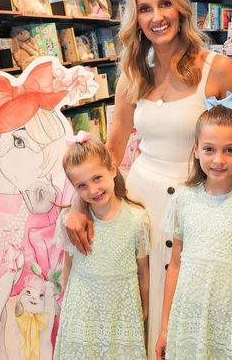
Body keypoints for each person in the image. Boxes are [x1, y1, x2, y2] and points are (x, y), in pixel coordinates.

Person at [65, 0, 232, 358]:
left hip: (197, 209)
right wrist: (79, 204)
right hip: (143, 207)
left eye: (164, 4)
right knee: (142, 308)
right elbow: (110, 153)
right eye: (145, 8)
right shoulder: (131, 75)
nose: (157, 16)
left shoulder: (217, 69)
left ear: (180, 8)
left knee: (186, 316)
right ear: (136, 18)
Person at [155, 102, 232, 360]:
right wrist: (165, 328)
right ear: (196, 150)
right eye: (209, 149)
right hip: (188, 323)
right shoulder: (183, 199)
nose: (218, 160)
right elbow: (174, 265)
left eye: (229, 150)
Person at [54, 132, 150, 359]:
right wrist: (67, 305)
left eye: (97, 178)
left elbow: (143, 272)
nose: (93, 190)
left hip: (121, 313)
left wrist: (144, 308)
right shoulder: (70, 221)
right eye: (82, 185)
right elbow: (68, 266)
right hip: (82, 312)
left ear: (113, 169)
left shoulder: (137, 219)